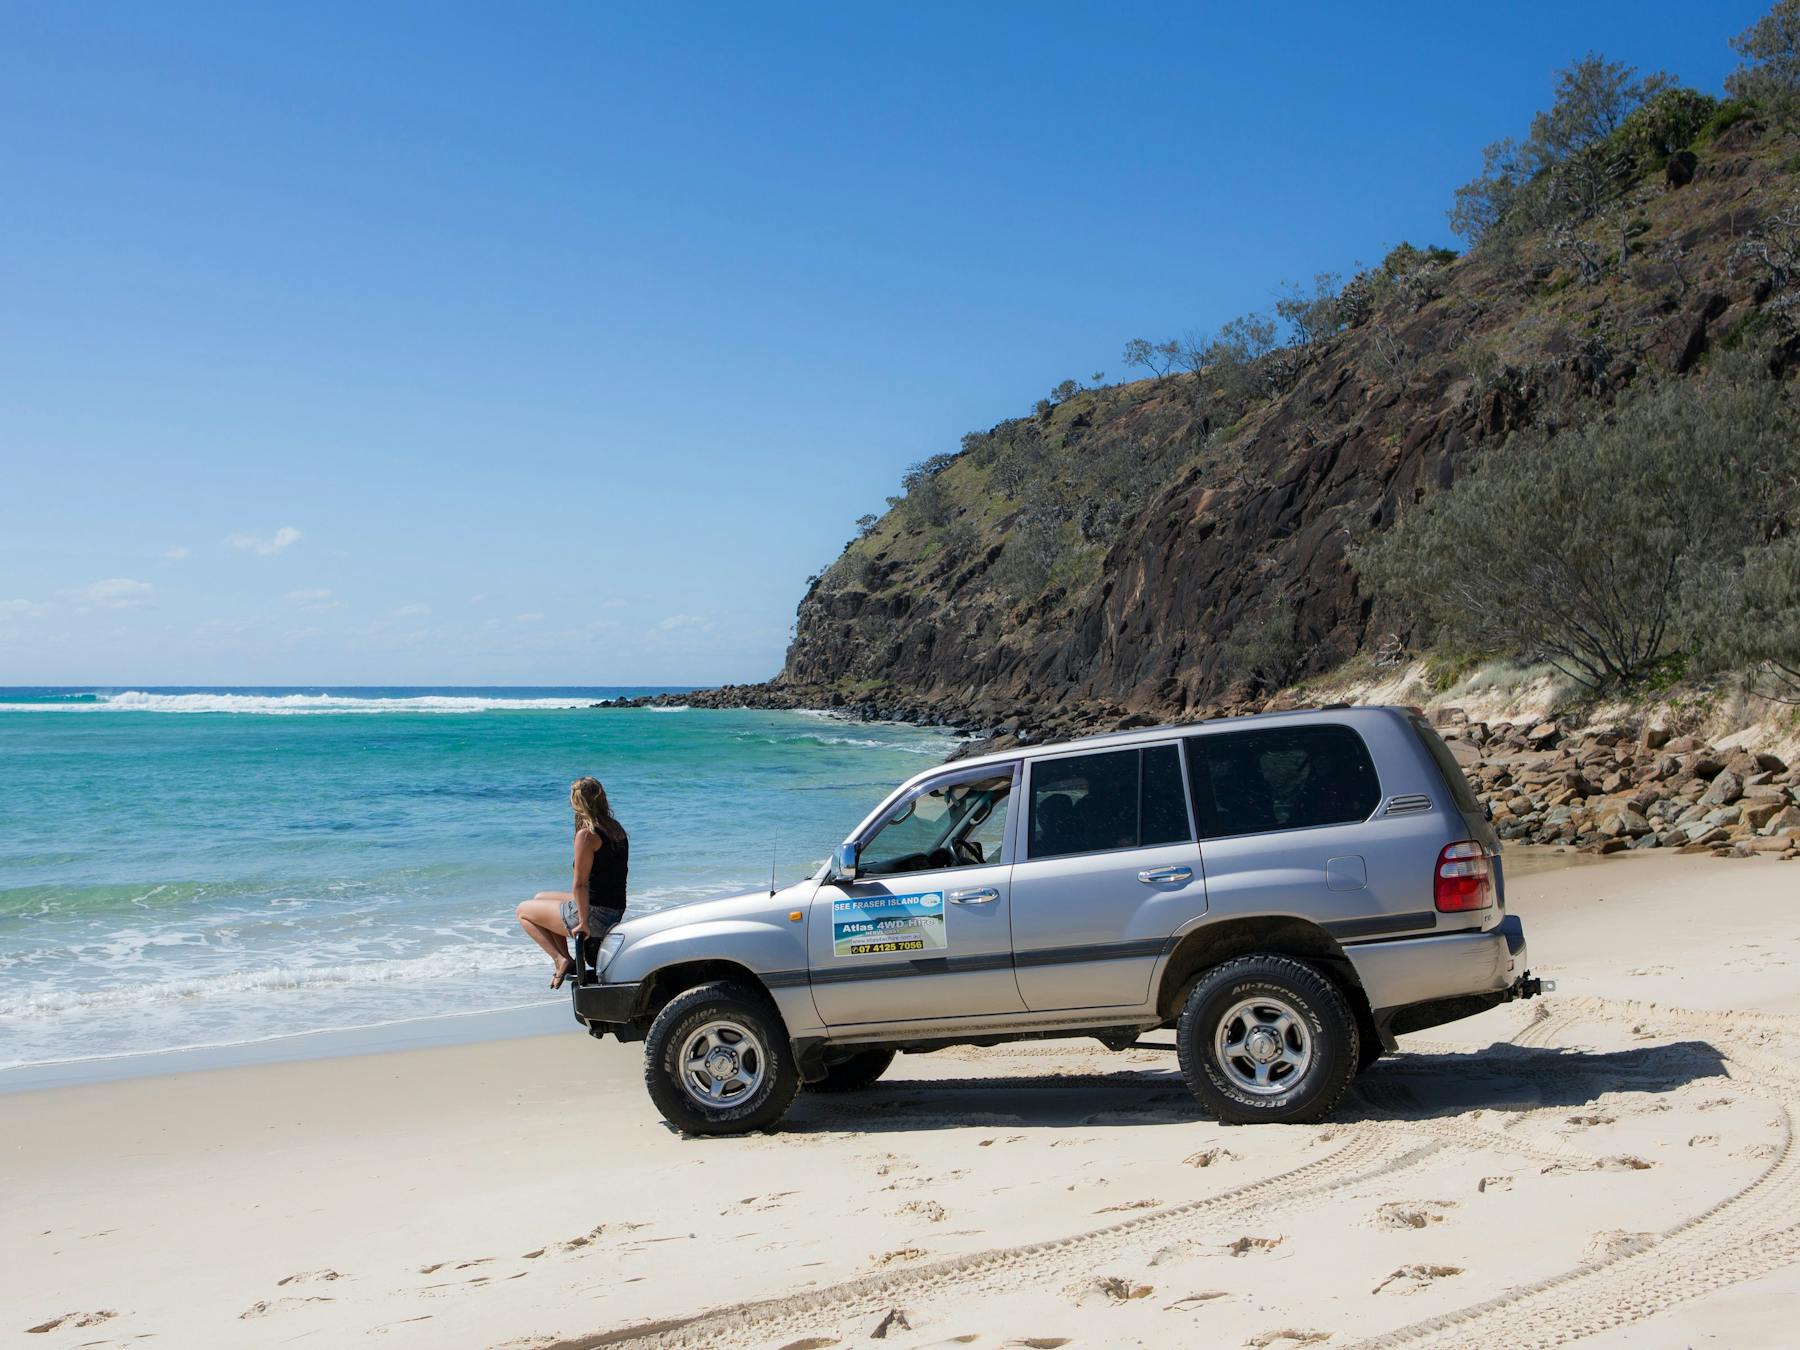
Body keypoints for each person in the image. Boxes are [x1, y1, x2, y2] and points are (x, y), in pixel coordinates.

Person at [516, 777, 629, 989]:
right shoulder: (615, 828)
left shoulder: (587, 835)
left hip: (595, 916)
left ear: (577, 803)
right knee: (540, 898)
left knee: (522, 910)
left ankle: (561, 960)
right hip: (613, 908)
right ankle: (564, 957)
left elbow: (580, 884)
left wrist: (583, 923)